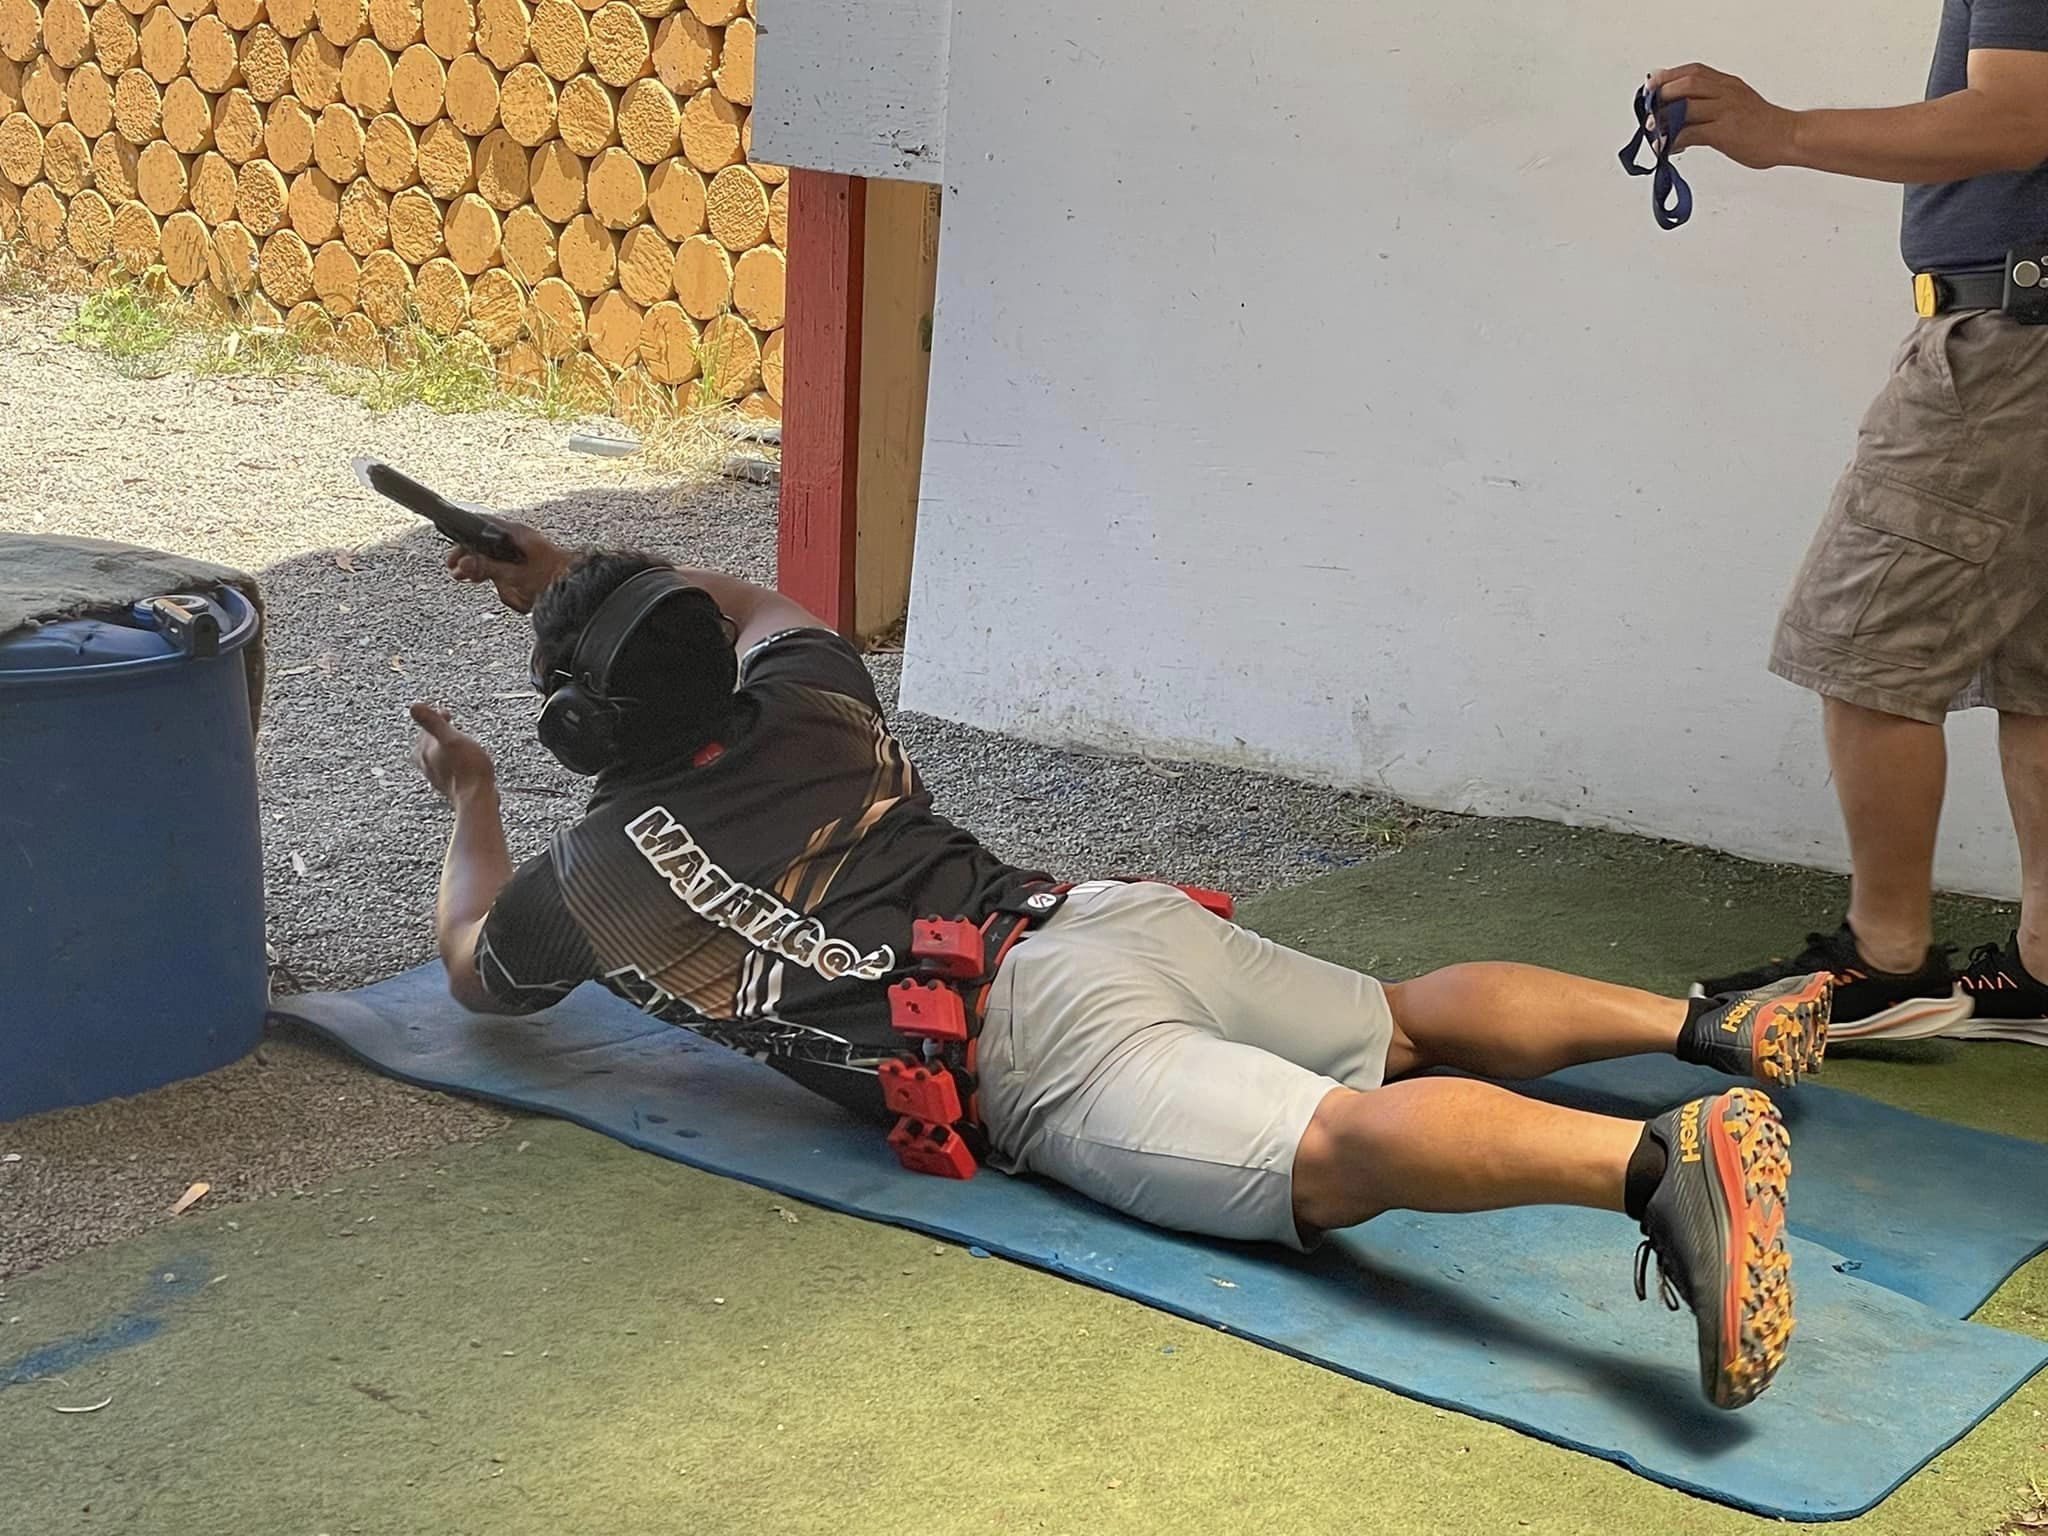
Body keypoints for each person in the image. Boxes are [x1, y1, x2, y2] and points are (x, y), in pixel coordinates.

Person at [407, 520, 1832, 1410]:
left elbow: (473, 965)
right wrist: (578, 571)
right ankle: (1706, 1023)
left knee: (1331, 1152)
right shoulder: (808, 693)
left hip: (1032, 1051)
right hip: (1098, 918)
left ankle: (1657, 1167)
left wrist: (470, 791)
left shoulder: (593, 885)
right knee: (1397, 1024)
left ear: (578, 737)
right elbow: (757, 600)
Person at [1645, 16, 2048, 1040]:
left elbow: (2014, 115)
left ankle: (1883, 965)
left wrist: (1773, 129)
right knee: (2036, 665)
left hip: (2011, 345)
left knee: (1863, 643)